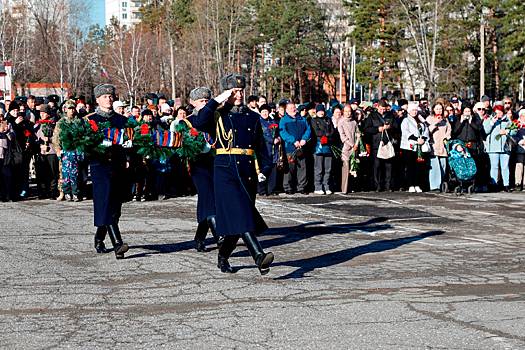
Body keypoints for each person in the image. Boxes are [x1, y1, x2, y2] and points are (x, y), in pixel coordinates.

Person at [189, 73, 274, 275]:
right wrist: (217, 100)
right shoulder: (218, 114)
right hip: (225, 170)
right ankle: (259, 256)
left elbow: (261, 147)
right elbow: (199, 122)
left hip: (247, 172)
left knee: (238, 220)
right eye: (234, 91)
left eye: (241, 91)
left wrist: (265, 169)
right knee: (242, 213)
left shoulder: (252, 116)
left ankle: (223, 256)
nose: (239, 95)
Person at [87, 84, 130, 259]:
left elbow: (129, 140)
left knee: (116, 208)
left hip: (118, 166)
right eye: (104, 97)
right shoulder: (91, 120)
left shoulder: (121, 120)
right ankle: (118, 244)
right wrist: (98, 146)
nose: (109, 99)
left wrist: (127, 155)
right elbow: (85, 144)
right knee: (106, 204)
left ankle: (99, 238)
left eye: (111, 96)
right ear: (97, 99)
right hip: (100, 166)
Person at [182, 86, 222, 252]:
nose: (205, 104)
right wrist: (198, 147)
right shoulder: (187, 121)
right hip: (198, 165)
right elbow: (184, 146)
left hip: (216, 162)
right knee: (208, 196)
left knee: (210, 199)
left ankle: (199, 238)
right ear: (192, 103)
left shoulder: (216, 118)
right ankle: (219, 237)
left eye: (207, 101)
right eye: (201, 101)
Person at [53, 100, 84, 201]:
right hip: (66, 151)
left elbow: (83, 135)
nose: (72, 111)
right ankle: (66, 192)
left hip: (77, 151)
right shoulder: (61, 123)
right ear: (65, 110)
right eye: (69, 109)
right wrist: (58, 149)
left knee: (76, 173)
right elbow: (56, 138)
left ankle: (75, 192)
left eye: (73, 108)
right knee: (66, 173)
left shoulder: (79, 121)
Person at [279, 100, 311, 194]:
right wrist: (293, 141)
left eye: (294, 107)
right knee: (290, 168)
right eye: (291, 108)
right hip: (290, 148)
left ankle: (302, 187)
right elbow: (283, 132)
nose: (293, 109)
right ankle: (288, 187)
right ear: (287, 110)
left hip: (301, 147)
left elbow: (308, 130)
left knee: (302, 167)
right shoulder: (284, 120)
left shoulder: (302, 119)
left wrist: (304, 139)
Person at [363, 100, 395, 191]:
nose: (383, 111)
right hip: (376, 144)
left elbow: (396, 127)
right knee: (377, 166)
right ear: (377, 107)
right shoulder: (372, 116)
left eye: (384, 109)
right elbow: (367, 129)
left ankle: (388, 185)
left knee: (388, 166)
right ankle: (377, 185)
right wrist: (377, 129)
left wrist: (390, 127)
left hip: (388, 143)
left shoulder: (390, 115)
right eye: (381, 109)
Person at [483, 104, 514, 192]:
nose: (498, 114)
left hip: (505, 147)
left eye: (500, 112)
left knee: (505, 166)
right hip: (493, 148)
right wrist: (492, 122)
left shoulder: (507, 120)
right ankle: (494, 184)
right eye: (496, 112)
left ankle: (506, 184)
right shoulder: (489, 120)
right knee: (494, 167)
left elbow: (514, 130)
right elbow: (485, 131)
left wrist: (507, 131)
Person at [400, 104, 430, 193]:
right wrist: (416, 139)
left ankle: (417, 184)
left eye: (416, 110)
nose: (414, 112)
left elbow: (426, 131)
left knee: (419, 166)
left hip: (420, 146)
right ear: (409, 111)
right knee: (410, 166)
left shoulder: (421, 120)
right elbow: (405, 132)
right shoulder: (405, 120)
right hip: (409, 146)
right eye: (412, 110)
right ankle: (410, 184)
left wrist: (422, 139)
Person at [34, 105, 59, 199]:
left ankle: (52, 191)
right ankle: (42, 192)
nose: (42, 115)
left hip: (51, 152)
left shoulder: (53, 124)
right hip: (41, 152)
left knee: (52, 173)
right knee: (41, 173)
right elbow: (34, 137)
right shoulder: (37, 125)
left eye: (44, 113)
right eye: (41, 113)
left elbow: (58, 138)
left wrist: (49, 139)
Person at [426, 103, 451, 192]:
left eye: (440, 109)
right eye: (437, 109)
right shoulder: (429, 118)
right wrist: (436, 122)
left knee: (443, 166)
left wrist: (447, 137)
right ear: (433, 110)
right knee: (435, 167)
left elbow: (449, 130)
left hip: (443, 146)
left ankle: (441, 184)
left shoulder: (445, 120)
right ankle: (434, 186)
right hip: (433, 145)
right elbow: (428, 130)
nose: (439, 110)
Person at [310, 104, 335, 194]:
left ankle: (326, 186)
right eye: (319, 111)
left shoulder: (328, 120)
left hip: (328, 146)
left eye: (322, 111)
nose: (321, 112)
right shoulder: (313, 120)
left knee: (328, 168)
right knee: (319, 168)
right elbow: (317, 132)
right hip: (318, 146)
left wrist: (327, 135)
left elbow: (332, 131)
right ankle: (318, 186)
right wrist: (326, 134)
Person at [338, 104, 360, 193]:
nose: (348, 113)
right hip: (346, 148)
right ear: (343, 112)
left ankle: (352, 187)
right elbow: (342, 136)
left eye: (349, 111)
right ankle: (344, 189)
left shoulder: (354, 122)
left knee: (353, 168)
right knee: (346, 167)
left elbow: (358, 133)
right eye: (346, 111)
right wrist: (351, 144)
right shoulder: (341, 122)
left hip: (354, 148)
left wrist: (357, 143)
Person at [514, 109, 525, 190]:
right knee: (519, 165)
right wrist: (519, 140)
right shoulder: (516, 124)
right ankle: (518, 182)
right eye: (522, 115)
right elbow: (513, 135)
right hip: (519, 147)